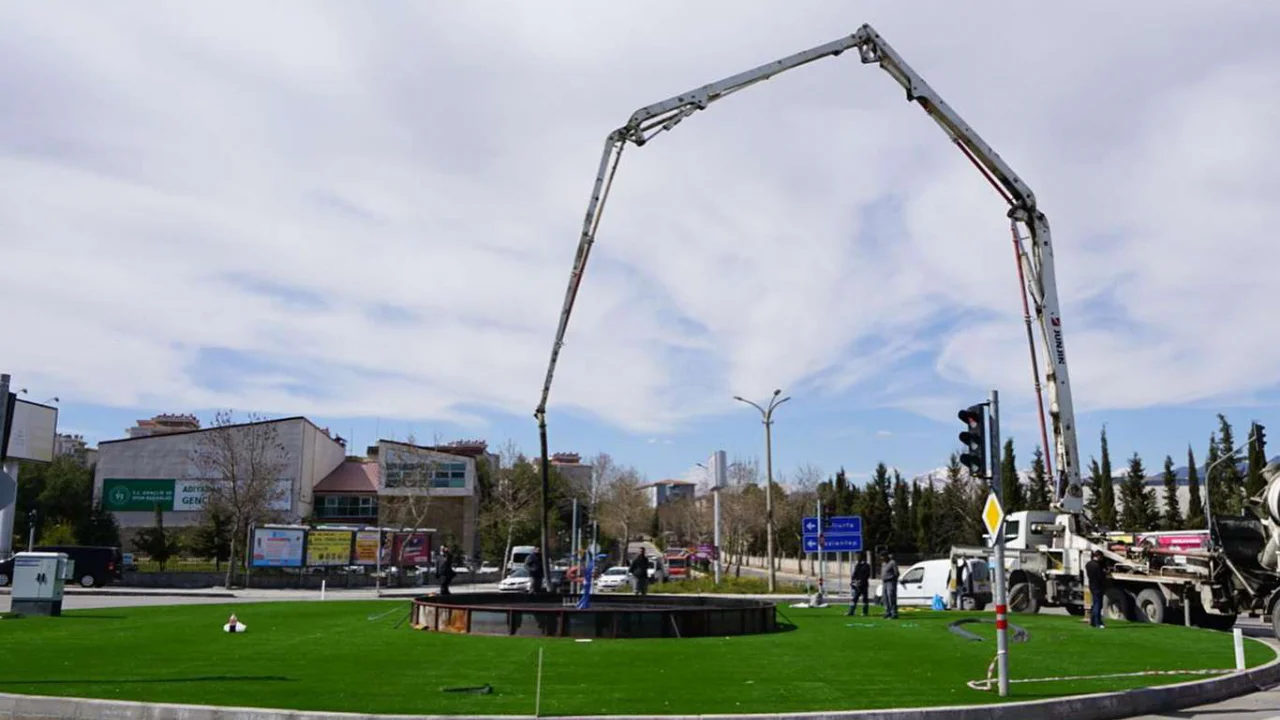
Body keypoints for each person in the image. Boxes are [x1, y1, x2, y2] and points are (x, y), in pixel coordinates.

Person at [1085, 549, 1106, 628]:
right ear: (1099, 556)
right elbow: (1100, 577)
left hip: (1092, 585)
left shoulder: (1088, 564)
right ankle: (1097, 622)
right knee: (1098, 605)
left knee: (1095, 604)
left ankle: (1093, 621)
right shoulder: (1097, 565)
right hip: (1098, 586)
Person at [880, 550, 899, 619]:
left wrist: (892, 579)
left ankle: (894, 613)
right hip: (884, 582)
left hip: (890, 582)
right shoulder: (883, 563)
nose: (882, 558)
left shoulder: (892, 563)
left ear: (886, 556)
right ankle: (887, 612)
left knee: (891, 597)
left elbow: (896, 573)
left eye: (883, 556)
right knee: (885, 598)